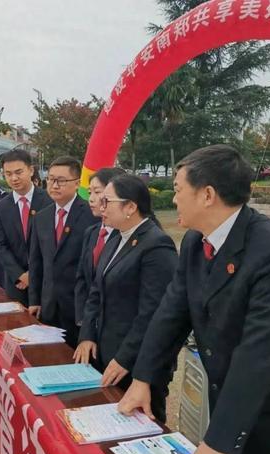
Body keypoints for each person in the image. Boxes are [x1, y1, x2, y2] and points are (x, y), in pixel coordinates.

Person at [119, 145, 270, 454]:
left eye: (177, 190)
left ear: (207, 195)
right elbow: (171, 314)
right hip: (232, 404)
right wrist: (143, 377)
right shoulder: (193, 242)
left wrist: (217, 441)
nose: (173, 201)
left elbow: (260, 354)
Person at [74, 174, 178, 422]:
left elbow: (152, 313)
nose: (100, 206)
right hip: (107, 352)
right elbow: (96, 291)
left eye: (107, 201)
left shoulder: (156, 245)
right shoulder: (115, 237)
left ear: (130, 207)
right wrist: (87, 334)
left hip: (137, 362)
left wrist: (125, 357)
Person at [28, 156, 99, 347]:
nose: (54, 185)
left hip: (78, 307)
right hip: (49, 305)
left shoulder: (92, 216)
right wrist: (34, 299)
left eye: (61, 180)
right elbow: (36, 262)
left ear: (77, 184)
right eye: (50, 179)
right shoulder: (41, 217)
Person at [0, 150, 52, 306]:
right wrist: (20, 275)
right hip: (16, 283)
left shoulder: (49, 202)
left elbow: (54, 244)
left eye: (19, 172)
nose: (14, 178)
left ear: (31, 170)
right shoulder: (0, 208)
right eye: (8, 174)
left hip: (46, 282)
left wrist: (34, 275)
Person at [74, 167, 124, 327]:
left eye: (97, 192)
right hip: (90, 321)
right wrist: (84, 320)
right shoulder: (92, 232)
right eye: (90, 193)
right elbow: (82, 277)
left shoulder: (127, 234)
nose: (91, 199)